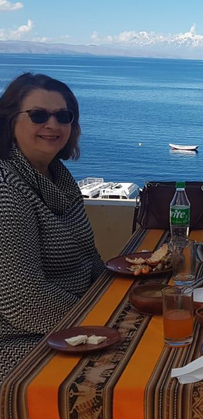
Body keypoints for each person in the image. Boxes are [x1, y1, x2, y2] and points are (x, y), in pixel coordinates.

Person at [0, 73, 104, 383]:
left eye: (63, 116)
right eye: (38, 115)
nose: (53, 125)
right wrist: (105, 324)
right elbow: (25, 301)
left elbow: (90, 260)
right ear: (9, 122)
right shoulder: (7, 191)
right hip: (20, 341)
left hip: (69, 321)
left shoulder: (59, 178)